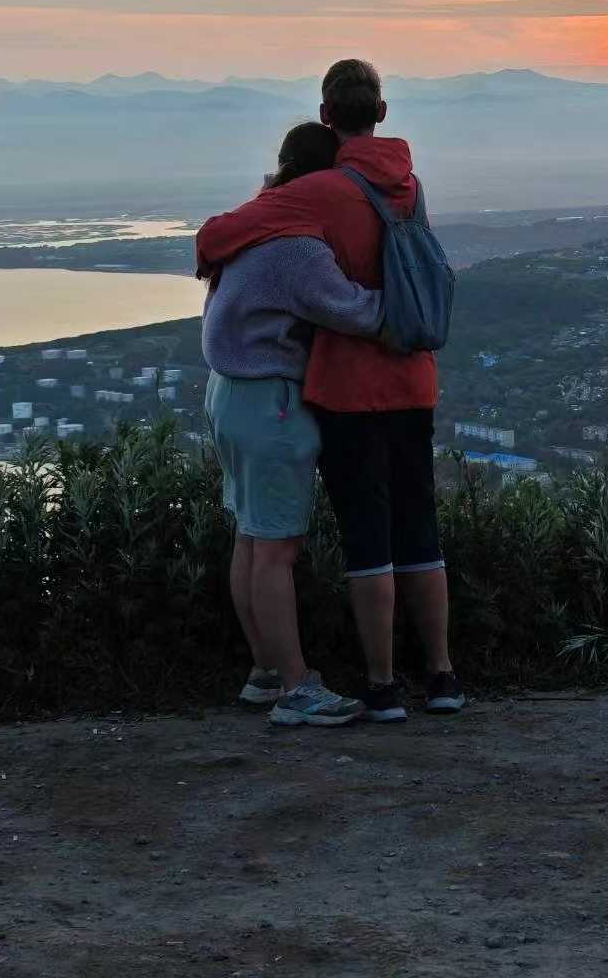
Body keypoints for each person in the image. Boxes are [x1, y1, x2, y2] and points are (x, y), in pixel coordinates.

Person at [197, 61, 464, 722]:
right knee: (414, 530)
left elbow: (219, 234)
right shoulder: (408, 184)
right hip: (396, 382)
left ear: (326, 114)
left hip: (319, 391)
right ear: (381, 110)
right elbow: (373, 289)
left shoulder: (313, 196)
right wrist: (407, 322)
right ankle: (435, 675)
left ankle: (369, 684)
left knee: (331, 538)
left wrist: (214, 247)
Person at [202, 121, 385, 727]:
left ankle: (265, 671)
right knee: (276, 549)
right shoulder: (295, 246)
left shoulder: (249, 226)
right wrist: (407, 302)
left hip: (229, 394)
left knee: (252, 539)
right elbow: (351, 310)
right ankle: (297, 689)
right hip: (272, 404)